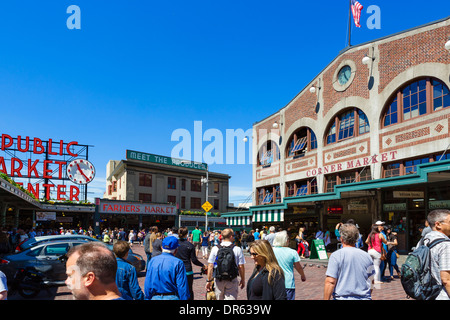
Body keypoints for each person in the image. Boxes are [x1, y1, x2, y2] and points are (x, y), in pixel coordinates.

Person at [324, 223, 375, 300]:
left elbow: (330, 282)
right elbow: (372, 280)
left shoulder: (336, 255)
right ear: (357, 238)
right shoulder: (367, 256)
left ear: (341, 238)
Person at [144, 236, 189, 300]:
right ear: (176, 250)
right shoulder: (178, 262)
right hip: (172, 296)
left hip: (155, 296)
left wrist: (148, 297)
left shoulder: (153, 260)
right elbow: (182, 286)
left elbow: (148, 282)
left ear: (162, 248)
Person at [206, 228, 246, 300]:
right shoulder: (237, 249)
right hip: (232, 279)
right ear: (231, 236)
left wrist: (209, 280)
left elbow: (210, 265)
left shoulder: (215, 248)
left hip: (219, 279)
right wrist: (242, 279)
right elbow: (241, 266)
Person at [422, 209, 450, 300]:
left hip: (428, 292)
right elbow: (446, 280)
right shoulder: (445, 245)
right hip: (442, 294)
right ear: (438, 224)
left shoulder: (425, 240)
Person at [272, 231, 306, 300]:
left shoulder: (271, 251)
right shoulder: (292, 252)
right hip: (288, 283)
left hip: (273, 282)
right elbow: (298, 267)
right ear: (285, 240)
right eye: (287, 238)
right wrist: (302, 275)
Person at [175, 227, 207, 300]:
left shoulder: (175, 243)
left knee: (176, 289)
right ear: (187, 234)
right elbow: (194, 260)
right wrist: (203, 265)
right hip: (187, 270)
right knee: (189, 290)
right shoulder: (189, 245)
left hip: (176, 269)